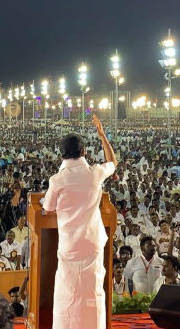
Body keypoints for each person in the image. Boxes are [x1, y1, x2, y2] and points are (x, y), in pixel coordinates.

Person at [42, 115, 117, 329]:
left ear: (62, 154)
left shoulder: (57, 180)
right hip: (92, 244)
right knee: (93, 292)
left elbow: (48, 208)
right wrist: (102, 136)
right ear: (84, 151)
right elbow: (112, 163)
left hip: (69, 246)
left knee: (67, 293)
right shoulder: (95, 173)